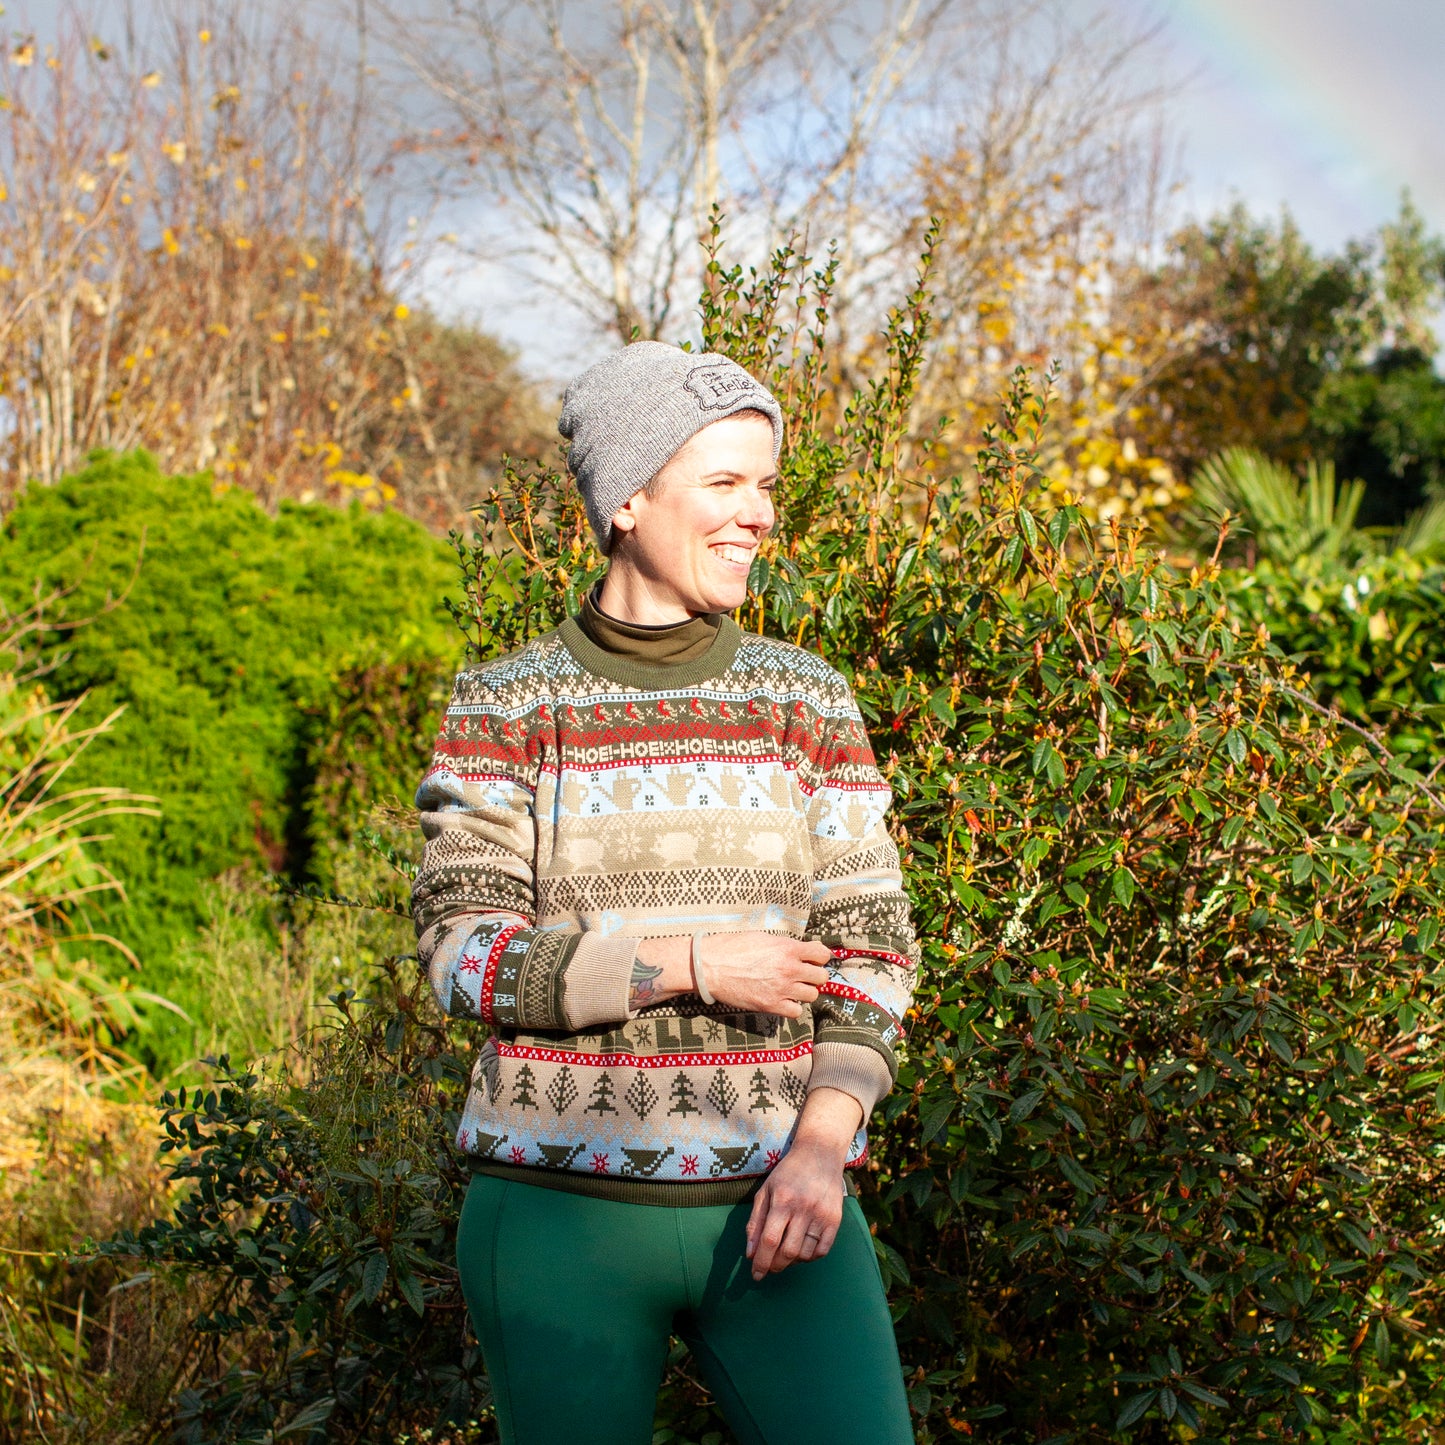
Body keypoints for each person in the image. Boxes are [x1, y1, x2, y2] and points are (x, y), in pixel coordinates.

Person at [411, 340, 919, 1445]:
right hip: (554, 1220)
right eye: (724, 482)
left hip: (786, 1209)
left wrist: (824, 1142)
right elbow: (460, 951)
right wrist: (684, 963)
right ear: (629, 497)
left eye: (767, 485)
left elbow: (874, 949)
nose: (759, 515)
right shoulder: (502, 705)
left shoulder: (806, 700)